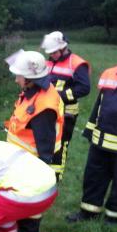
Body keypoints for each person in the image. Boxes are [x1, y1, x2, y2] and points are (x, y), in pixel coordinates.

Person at [67, 28, 117, 225]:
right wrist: (90, 130)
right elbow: (99, 105)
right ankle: (88, 213)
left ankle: (113, 219)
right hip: (100, 142)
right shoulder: (110, 73)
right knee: (93, 178)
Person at [5, 50, 63, 232]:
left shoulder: (44, 107)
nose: (16, 80)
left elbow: (45, 149)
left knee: (29, 209)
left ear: (30, 78)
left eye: (19, 76)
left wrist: (38, 176)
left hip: (31, 165)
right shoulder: (33, 91)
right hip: (20, 161)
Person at [41, 32, 91, 180]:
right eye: (50, 52)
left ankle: (55, 178)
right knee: (45, 141)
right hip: (47, 109)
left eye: (54, 52)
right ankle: (42, 173)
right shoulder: (48, 62)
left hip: (67, 112)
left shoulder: (76, 63)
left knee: (60, 146)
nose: (52, 55)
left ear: (64, 48)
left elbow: (84, 88)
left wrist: (59, 96)